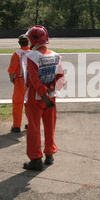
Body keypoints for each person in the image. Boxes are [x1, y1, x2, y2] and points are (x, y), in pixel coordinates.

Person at [22, 25, 64, 171]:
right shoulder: (56, 55)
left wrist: (43, 94)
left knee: (34, 129)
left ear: (34, 39)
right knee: (50, 126)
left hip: (37, 97)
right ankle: (50, 154)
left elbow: (34, 79)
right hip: (51, 97)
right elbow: (61, 77)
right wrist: (51, 89)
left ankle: (35, 159)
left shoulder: (32, 56)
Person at [7, 35, 30, 133]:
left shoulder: (16, 54)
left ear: (19, 43)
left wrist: (12, 80)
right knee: (30, 103)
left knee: (17, 103)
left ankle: (16, 126)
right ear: (28, 42)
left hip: (20, 80)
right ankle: (31, 124)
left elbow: (11, 70)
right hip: (32, 81)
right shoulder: (34, 53)